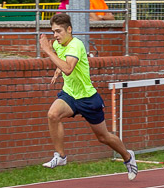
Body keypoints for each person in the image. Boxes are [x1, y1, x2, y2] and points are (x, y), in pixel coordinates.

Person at [39, 13, 137, 179]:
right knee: (53, 115)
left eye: (59, 31)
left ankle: (128, 156)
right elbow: (62, 61)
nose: (55, 35)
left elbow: (68, 68)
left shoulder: (76, 45)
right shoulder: (58, 44)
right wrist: (57, 70)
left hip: (87, 98)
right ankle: (61, 156)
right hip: (70, 94)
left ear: (69, 30)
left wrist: (48, 52)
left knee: (103, 137)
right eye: (53, 31)